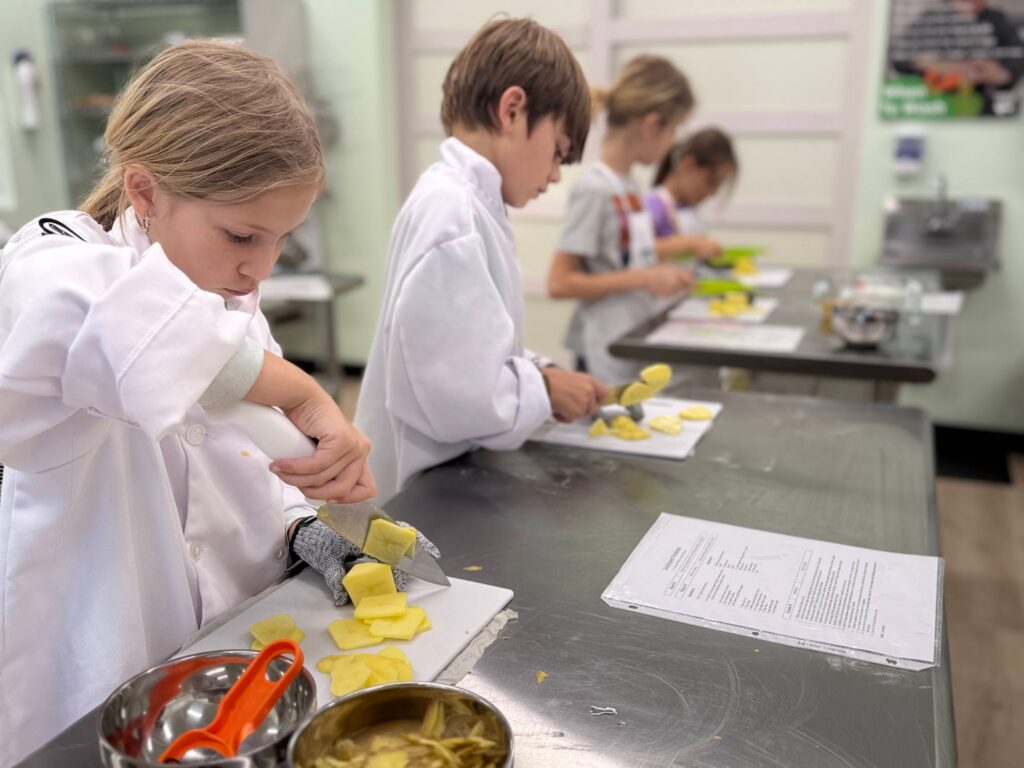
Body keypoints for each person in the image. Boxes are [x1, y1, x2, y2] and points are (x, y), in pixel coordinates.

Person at [0, 40, 397, 763]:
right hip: (95, 669)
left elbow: (242, 457)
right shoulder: (54, 260)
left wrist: (302, 521)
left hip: (229, 662)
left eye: (281, 240)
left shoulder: (225, 289)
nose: (258, 271)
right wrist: (304, 390)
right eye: (244, 235)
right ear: (146, 192)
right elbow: (131, 336)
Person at [355, 18, 608, 503]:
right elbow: (461, 397)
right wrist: (545, 389)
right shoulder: (453, 214)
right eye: (557, 152)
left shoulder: (467, 204)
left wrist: (544, 372)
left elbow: (473, 344)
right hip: (428, 493)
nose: (555, 176)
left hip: (449, 474)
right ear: (512, 110)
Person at [547, 55, 700, 381]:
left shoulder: (630, 184)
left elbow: (622, 255)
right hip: (601, 351)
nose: (672, 142)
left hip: (629, 339)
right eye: (672, 130)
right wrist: (646, 279)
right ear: (650, 125)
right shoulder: (594, 189)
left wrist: (666, 265)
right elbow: (559, 282)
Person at [645, 127, 738, 245]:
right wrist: (689, 246)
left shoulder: (688, 211)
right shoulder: (651, 207)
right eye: (711, 181)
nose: (713, 192)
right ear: (687, 164)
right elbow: (642, 253)